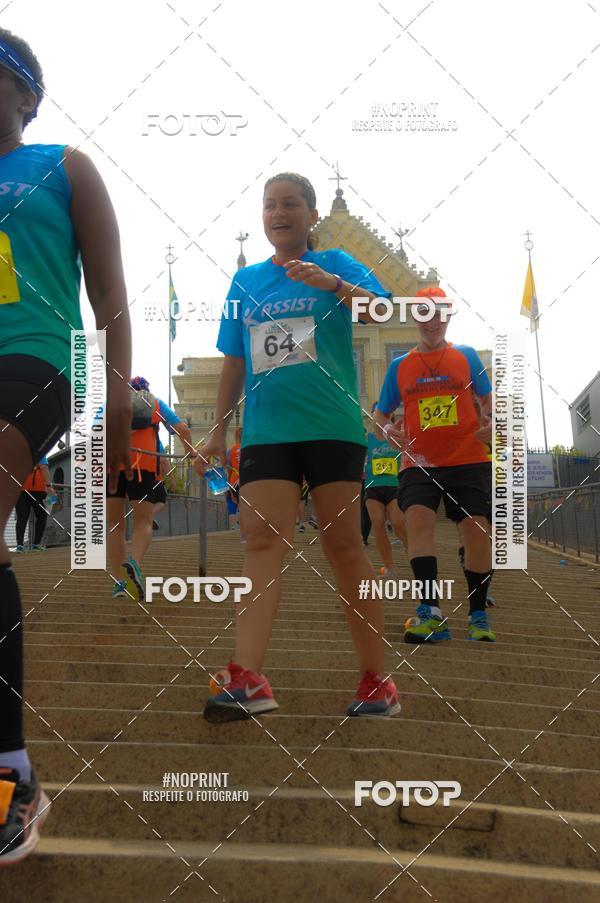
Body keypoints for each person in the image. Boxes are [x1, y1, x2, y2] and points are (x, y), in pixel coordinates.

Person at [196, 171, 400, 722]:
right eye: (269, 205)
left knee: (344, 546)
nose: (278, 213)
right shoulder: (246, 282)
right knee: (261, 541)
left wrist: (333, 285)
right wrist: (219, 428)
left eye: (290, 204)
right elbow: (234, 360)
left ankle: (377, 679)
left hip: (331, 426)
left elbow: (384, 311)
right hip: (267, 431)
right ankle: (248, 676)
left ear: (312, 215)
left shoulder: (336, 262)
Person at [0, 28, 132, 864]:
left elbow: (110, 293)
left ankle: (10, 774)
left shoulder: (63, 166)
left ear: (26, 95)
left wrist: (117, 402)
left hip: (35, 359)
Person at [374, 287, 496, 644]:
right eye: (425, 314)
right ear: (416, 317)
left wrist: (491, 419)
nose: (433, 322)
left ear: (448, 316)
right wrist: (388, 432)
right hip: (419, 462)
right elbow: (380, 415)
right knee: (417, 520)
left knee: (476, 530)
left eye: (440, 313)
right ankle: (431, 612)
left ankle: (477, 614)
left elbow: (489, 399)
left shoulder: (466, 356)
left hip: (468, 459)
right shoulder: (399, 367)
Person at [108, 376, 195, 600]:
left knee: (115, 525)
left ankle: (119, 582)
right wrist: (191, 453)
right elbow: (183, 429)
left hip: (112, 466)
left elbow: (95, 434)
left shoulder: (111, 403)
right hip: (142, 465)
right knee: (143, 522)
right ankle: (134, 563)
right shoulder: (155, 403)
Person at [364, 406, 406, 577]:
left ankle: (413, 551)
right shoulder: (367, 439)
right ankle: (389, 568)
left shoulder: (398, 437)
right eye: (376, 414)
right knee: (378, 524)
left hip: (394, 485)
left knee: (398, 524)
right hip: (373, 487)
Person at [14, 456, 52, 551]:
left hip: (20, 490)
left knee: (22, 518)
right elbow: (44, 468)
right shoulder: (39, 453)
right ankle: (36, 544)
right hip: (37, 490)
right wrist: (49, 486)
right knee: (42, 516)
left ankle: (20, 546)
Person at [226, 427, 242, 529]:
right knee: (244, 504)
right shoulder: (249, 449)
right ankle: (242, 528)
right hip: (246, 481)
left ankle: (232, 528)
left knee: (232, 502)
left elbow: (229, 470)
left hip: (233, 481)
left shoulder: (230, 451)